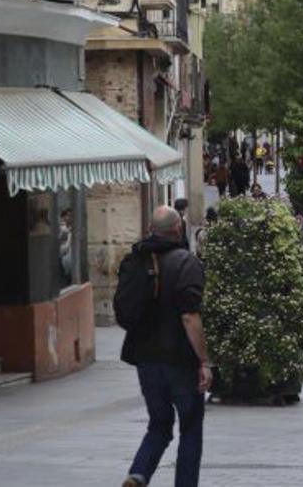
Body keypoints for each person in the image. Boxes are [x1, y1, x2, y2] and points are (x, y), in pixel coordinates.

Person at [121, 206, 210, 487]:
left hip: (146, 361)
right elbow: (189, 316)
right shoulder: (187, 263)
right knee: (190, 426)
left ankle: (138, 474)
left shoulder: (134, 261)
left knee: (159, 424)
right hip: (180, 361)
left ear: (151, 230)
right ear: (178, 230)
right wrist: (205, 361)